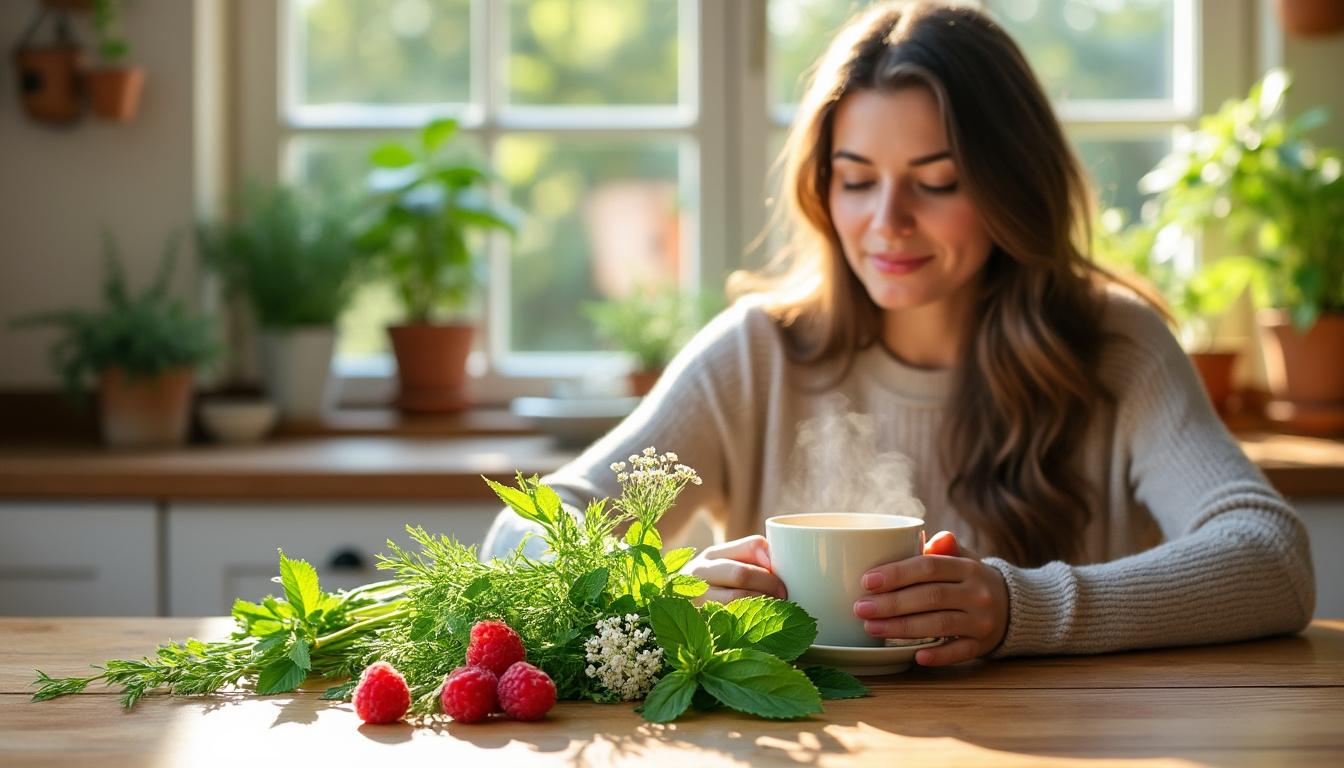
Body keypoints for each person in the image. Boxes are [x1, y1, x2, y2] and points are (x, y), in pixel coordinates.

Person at [482, 0, 1315, 666]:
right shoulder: (759, 352)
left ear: (1010, 186)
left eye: (938, 181)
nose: (888, 224)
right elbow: (517, 538)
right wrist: (664, 592)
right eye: (856, 180)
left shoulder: (1114, 346)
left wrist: (1023, 608)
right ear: (822, 189)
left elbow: (1271, 556)